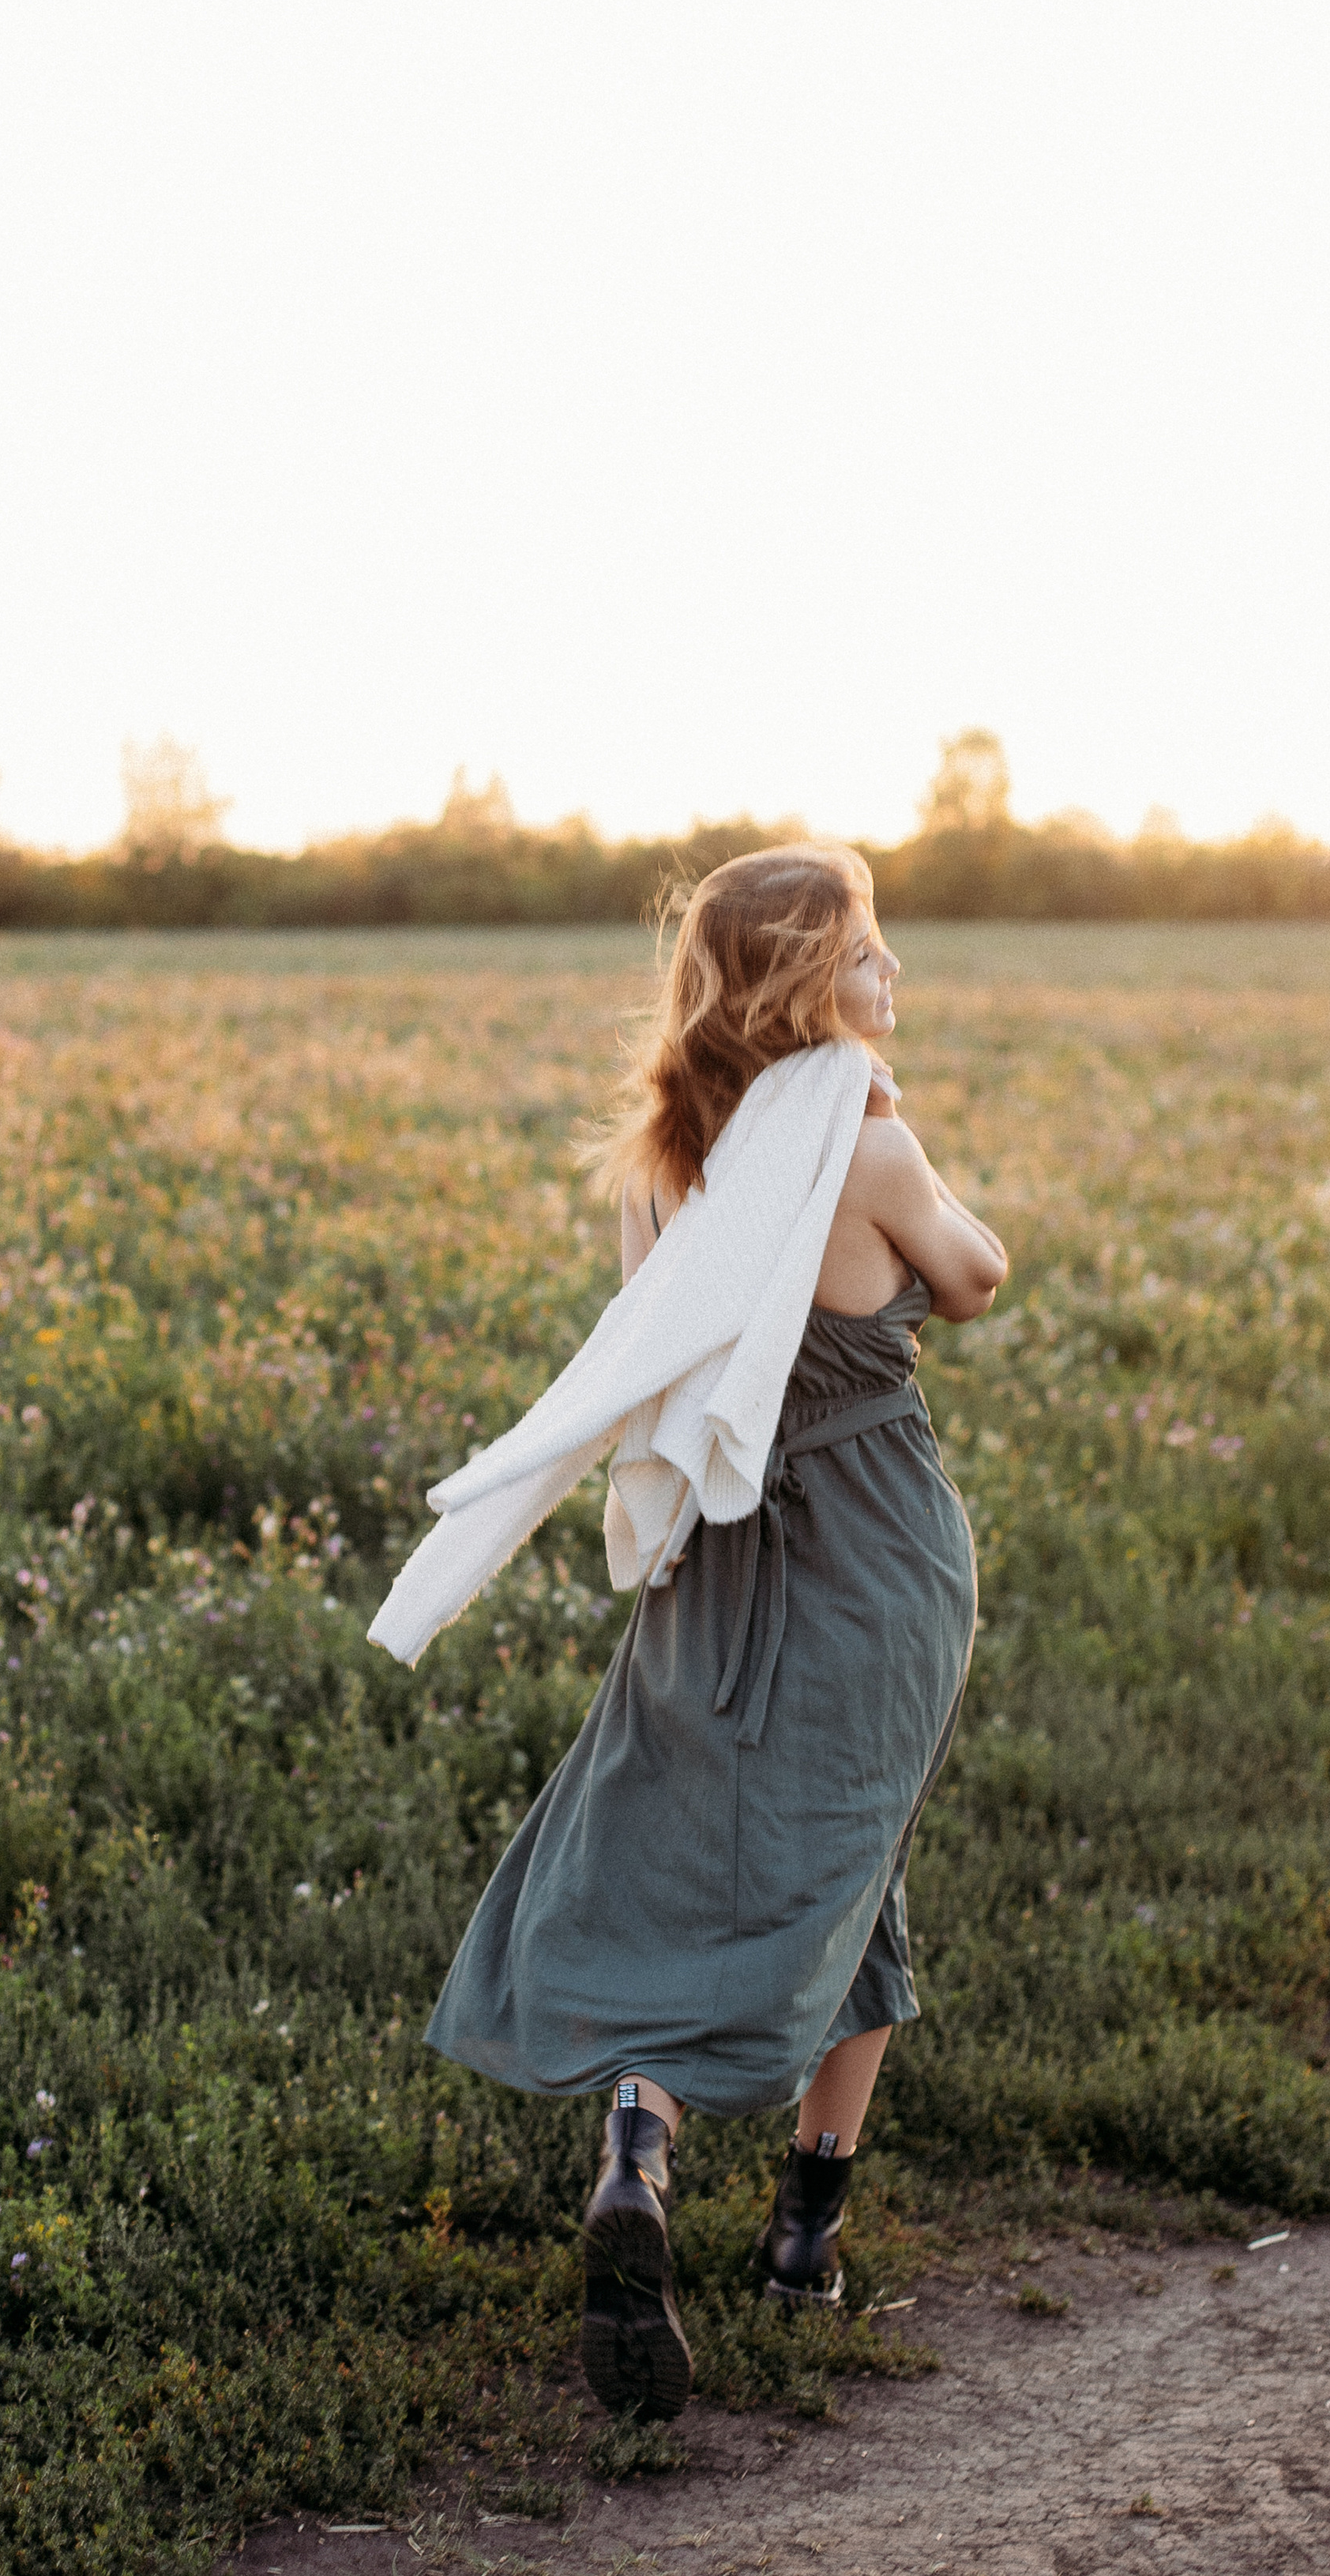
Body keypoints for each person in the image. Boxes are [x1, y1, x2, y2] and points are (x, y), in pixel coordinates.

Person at [411, 844, 1008, 2420]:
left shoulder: (665, 1160)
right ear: (809, 981)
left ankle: (638, 2147)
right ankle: (804, 2237)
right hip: (873, 1552)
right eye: (872, 955)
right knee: (853, 1854)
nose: (895, 980)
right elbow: (974, 1276)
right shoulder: (862, 1146)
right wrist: (912, 1185)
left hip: (716, 1563)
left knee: (684, 1850)